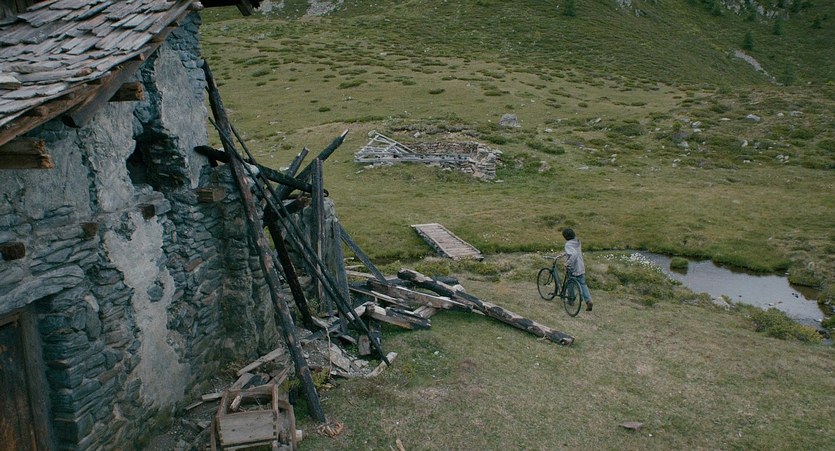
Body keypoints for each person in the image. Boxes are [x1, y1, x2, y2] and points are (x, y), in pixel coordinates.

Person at [557, 228, 593, 311]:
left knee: (570, 282)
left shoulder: (568, 244)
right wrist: (564, 253)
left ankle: (571, 300)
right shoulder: (577, 241)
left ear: (565, 237)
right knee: (583, 284)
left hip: (573, 267)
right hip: (581, 266)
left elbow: (574, 254)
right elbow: (574, 251)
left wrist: (567, 263)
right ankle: (588, 301)